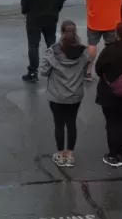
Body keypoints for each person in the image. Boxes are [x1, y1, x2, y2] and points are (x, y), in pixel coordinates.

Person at [39, 20, 90, 167]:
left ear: (62, 33)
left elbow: (43, 71)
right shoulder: (83, 52)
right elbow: (86, 65)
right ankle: (70, 155)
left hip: (57, 95)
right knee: (72, 123)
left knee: (59, 124)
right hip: (75, 95)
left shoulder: (52, 52)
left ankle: (61, 155)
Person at [95, 21, 122, 168]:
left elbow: (98, 69)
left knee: (112, 123)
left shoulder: (110, 50)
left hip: (110, 93)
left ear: (117, 33)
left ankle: (113, 155)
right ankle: (121, 153)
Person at [21, 0, 68, 83]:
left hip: (34, 17)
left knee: (33, 45)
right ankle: (54, 68)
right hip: (51, 15)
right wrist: (56, 9)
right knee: (51, 42)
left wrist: (25, 10)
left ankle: (33, 72)